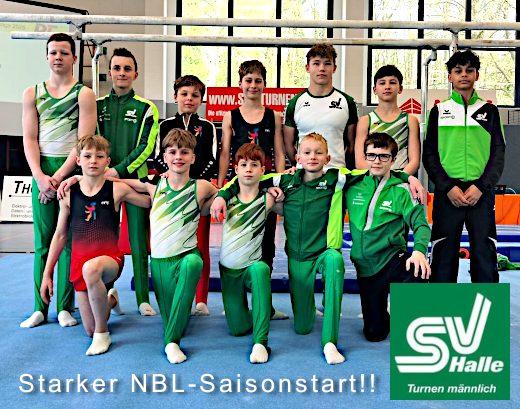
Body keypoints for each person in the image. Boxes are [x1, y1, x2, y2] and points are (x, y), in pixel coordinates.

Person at [213, 133, 425, 364]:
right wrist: (222, 195)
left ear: (328, 158)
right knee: (303, 327)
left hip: (325, 253)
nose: (312, 157)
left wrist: (408, 178)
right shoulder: (284, 181)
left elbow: (376, 171)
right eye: (307, 152)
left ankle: (330, 342)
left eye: (318, 152)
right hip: (298, 258)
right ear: (298, 158)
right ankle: (308, 308)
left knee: (335, 260)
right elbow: (247, 178)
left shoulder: (338, 178)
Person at [109, 129, 217, 364]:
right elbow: (115, 181)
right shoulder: (154, 184)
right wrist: (77, 178)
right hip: (160, 264)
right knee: (174, 320)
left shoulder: (202, 186)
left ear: (193, 157)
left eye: (184, 152)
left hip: (186, 258)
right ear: (165, 157)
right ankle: (174, 331)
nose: (178, 156)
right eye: (173, 152)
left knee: (193, 262)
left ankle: (171, 343)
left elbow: (231, 192)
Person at [40, 135, 151, 356]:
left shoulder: (116, 189)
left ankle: (104, 333)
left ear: (107, 161)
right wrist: (47, 273)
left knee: (91, 270)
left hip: (110, 260)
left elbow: (149, 201)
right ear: (78, 160)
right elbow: (60, 235)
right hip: (79, 265)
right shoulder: (68, 193)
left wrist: (145, 183)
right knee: (89, 329)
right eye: (87, 156)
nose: (93, 161)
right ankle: (111, 300)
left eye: (99, 157)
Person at [21, 33, 97, 329]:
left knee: (67, 240)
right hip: (42, 169)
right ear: (46, 56)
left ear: (74, 58)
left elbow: (83, 141)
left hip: (70, 169)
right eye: (53, 52)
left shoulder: (84, 94)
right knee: (42, 241)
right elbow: (29, 138)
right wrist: (40, 177)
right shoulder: (32, 93)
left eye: (64, 52)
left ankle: (65, 307)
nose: (58, 57)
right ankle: (39, 307)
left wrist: (60, 176)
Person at [423, 50, 506, 283]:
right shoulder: (439, 111)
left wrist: (481, 186)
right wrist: (448, 187)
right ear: (450, 77)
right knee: (443, 253)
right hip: (448, 193)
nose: (464, 75)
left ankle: (485, 304)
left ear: (477, 75)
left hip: (481, 192)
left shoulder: (490, 112)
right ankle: (442, 302)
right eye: (458, 71)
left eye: (469, 70)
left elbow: (498, 154)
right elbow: (429, 155)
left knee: (485, 252)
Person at [218, 60, 288, 320]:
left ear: (264, 85)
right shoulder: (230, 116)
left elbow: (278, 152)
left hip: (264, 188)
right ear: (240, 84)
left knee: (266, 245)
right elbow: (225, 153)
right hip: (238, 188)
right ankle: (236, 300)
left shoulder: (274, 116)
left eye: (258, 80)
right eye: (248, 80)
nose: (253, 85)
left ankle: (264, 305)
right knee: (238, 243)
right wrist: (221, 185)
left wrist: (279, 183)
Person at [347, 133, 430, 342]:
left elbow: (421, 224)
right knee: (374, 334)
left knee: (420, 274)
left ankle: (414, 319)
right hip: (366, 269)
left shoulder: (402, 191)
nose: (377, 161)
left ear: (393, 160)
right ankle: (383, 314)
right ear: (365, 157)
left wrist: (419, 251)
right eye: (372, 155)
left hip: (392, 259)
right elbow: (320, 174)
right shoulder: (351, 184)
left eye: (384, 156)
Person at [97, 48, 159, 315]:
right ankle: (106, 292)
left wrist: (119, 170)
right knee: (105, 240)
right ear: (110, 72)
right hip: (103, 182)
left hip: (135, 181)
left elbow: (147, 146)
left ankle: (143, 299)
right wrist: (104, 171)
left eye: (127, 69)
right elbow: (92, 142)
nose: (122, 73)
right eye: (117, 68)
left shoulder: (146, 108)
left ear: (135, 74)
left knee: (138, 242)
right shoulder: (97, 106)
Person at [154, 75, 219, 317]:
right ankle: (175, 294)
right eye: (184, 94)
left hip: (196, 192)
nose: (189, 99)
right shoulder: (164, 126)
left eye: (195, 95)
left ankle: (201, 300)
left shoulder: (208, 127)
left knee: (200, 245)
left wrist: (193, 182)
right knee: (172, 244)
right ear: (175, 97)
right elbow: (158, 157)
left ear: (201, 100)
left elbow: (212, 159)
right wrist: (173, 176)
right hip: (170, 193)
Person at [216, 143, 282, 364]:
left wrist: (278, 191)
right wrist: (220, 195)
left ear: (263, 170)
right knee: (238, 330)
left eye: (254, 165)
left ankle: (261, 342)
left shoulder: (268, 199)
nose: (249, 169)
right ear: (236, 169)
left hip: (252, 268)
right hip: (229, 271)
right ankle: (264, 310)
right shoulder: (225, 198)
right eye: (243, 165)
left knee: (261, 269)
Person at [283, 44, 358, 170]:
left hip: (336, 173)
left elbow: (352, 145)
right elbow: (289, 145)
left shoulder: (347, 102)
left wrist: (339, 167)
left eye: (327, 63)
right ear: (307, 67)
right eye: (316, 63)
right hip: (304, 174)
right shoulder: (295, 103)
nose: (322, 68)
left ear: (334, 68)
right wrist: (302, 166)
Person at [355, 65, 420, 175]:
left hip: (400, 179)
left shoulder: (410, 120)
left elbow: (414, 161)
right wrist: (376, 179)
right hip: (372, 179)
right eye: (382, 83)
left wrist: (397, 179)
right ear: (375, 90)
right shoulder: (365, 121)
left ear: (400, 89)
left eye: (392, 82)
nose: (387, 87)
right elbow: (360, 161)